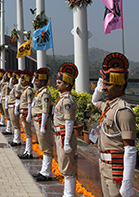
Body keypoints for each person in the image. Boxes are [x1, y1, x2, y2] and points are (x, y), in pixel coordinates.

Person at [92, 53, 136, 197]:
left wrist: (127, 182)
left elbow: (130, 148)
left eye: (108, 84)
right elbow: (94, 101)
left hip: (116, 170)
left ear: (120, 85)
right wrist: (98, 88)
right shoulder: (109, 106)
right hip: (104, 166)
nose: (104, 88)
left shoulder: (123, 110)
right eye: (104, 84)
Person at [53, 63, 79, 197]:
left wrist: (67, 141)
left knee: (67, 166)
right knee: (64, 165)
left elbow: (69, 122)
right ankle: (67, 192)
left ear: (67, 85)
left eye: (59, 82)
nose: (56, 85)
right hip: (60, 136)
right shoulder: (62, 99)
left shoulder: (67, 101)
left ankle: (69, 194)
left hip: (64, 136)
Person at [32, 67, 53, 181]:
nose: (35, 82)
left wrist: (43, 125)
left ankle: (46, 172)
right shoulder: (39, 92)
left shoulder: (45, 93)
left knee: (46, 147)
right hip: (38, 120)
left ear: (43, 82)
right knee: (43, 146)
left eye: (37, 81)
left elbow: (45, 110)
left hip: (41, 121)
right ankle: (43, 170)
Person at [18, 69, 34, 159]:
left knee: (28, 133)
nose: (21, 81)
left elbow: (29, 104)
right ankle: (26, 151)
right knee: (26, 133)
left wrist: (28, 115)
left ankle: (29, 152)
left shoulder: (29, 91)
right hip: (23, 112)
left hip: (25, 112)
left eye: (23, 80)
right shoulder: (24, 90)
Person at [7, 70, 23, 146]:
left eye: (13, 78)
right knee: (14, 123)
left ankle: (17, 140)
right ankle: (15, 139)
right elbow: (10, 85)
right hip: (11, 106)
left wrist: (16, 108)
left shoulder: (17, 87)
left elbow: (17, 98)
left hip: (13, 106)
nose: (12, 80)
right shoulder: (14, 87)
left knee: (16, 124)